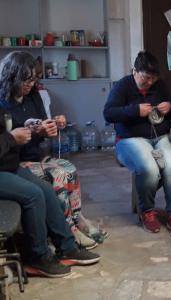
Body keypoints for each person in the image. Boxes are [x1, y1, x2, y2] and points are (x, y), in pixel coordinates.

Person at [0, 51, 106, 250]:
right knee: (58, 174)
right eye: (25, 79)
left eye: (33, 79)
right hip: (14, 160)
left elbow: (42, 127)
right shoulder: (2, 102)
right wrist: (19, 136)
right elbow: (9, 139)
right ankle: (68, 230)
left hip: (34, 154)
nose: (30, 84)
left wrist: (52, 126)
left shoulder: (33, 96)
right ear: (11, 76)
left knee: (70, 169)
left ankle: (76, 220)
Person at [0, 108, 100, 278]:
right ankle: (37, 259)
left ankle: (67, 248)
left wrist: (33, 130)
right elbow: (8, 137)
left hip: (8, 166)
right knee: (33, 195)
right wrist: (11, 138)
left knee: (46, 189)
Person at [104, 51, 171, 238]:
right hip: (129, 139)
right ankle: (147, 211)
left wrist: (169, 106)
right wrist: (134, 110)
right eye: (146, 78)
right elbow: (108, 114)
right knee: (149, 168)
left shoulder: (159, 85)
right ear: (134, 71)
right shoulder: (123, 86)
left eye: (153, 79)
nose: (150, 83)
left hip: (160, 136)